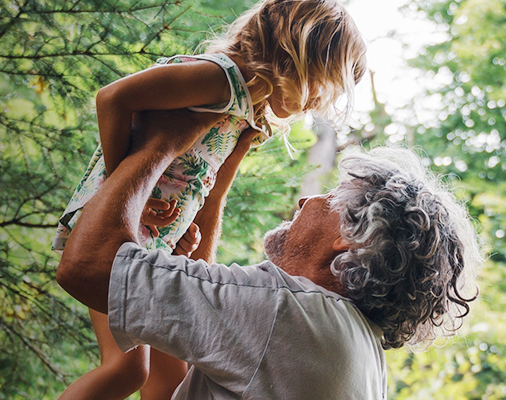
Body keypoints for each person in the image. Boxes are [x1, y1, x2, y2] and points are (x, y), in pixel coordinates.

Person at [52, 1, 367, 398]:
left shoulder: (244, 113)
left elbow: (209, 195)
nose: (315, 104)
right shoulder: (219, 77)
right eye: (320, 87)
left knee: (172, 382)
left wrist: (188, 237)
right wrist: (121, 184)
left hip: (155, 241)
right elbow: (113, 98)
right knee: (127, 369)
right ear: (295, 53)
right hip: (114, 227)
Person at [56, 109, 481, 399]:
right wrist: (220, 174)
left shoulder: (291, 315)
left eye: (331, 196)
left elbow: (87, 267)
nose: (305, 202)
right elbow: (172, 389)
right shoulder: (346, 345)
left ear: (353, 240)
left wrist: (161, 145)